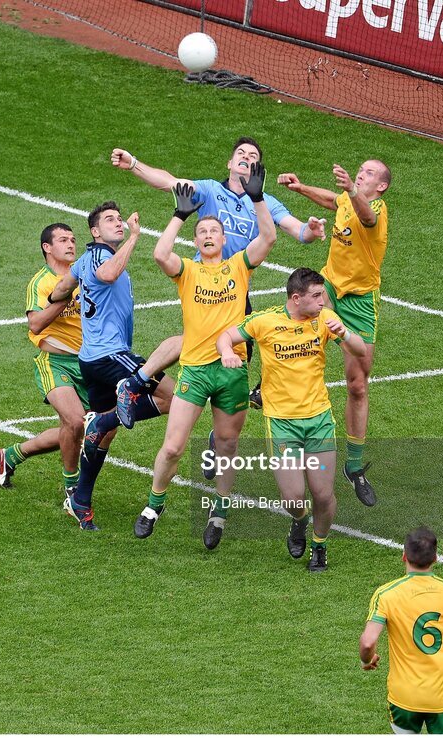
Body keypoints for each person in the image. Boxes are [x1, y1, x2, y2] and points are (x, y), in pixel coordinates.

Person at [110, 137, 326, 413]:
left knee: (238, 352)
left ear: (258, 168)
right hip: (203, 280)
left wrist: (312, 228)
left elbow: (299, 231)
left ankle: (135, 387)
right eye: (241, 152)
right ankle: (137, 381)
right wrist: (134, 164)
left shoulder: (265, 202)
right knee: (202, 340)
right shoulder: (211, 190)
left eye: (252, 155)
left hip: (236, 285)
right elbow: (170, 183)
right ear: (230, 162)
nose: (246, 156)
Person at [135, 163, 277, 550]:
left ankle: (220, 510)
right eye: (203, 232)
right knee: (172, 447)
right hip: (196, 371)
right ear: (196, 242)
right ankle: (154, 505)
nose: (209, 234)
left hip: (232, 372)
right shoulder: (187, 271)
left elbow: (268, 236)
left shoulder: (239, 266)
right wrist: (180, 214)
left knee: (228, 446)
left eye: (214, 230)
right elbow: (160, 252)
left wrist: (259, 198)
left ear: (224, 237)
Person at [216, 267, 366, 572]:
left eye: (322, 294)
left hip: (319, 421)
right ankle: (299, 522)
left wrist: (345, 334)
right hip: (282, 424)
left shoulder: (324, 320)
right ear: (296, 298)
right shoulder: (265, 321)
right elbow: (227, 335)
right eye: (316, 296)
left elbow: (360, 351)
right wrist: (225, 353)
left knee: (323, 494)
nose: (323, 301)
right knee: (294, 497)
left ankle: (320, 546)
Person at [48, 202, 175, 531]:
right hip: (110, 355)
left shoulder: (81, 262)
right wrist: (135, 236)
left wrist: (56, 298)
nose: (118, 223)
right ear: (95, 231)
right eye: (110, 221)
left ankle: (81, 500)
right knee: (175, 397)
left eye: (119, 220)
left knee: (105, 435)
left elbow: (62, 288)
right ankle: (102, 418)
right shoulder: (99, 257)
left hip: (93, 359)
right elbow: (108, 274)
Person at [277, 160, 391, 507]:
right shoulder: (348, 198)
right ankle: (262, 388)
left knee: (358, 383)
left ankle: (354, 467)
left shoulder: (376, 210)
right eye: (360, 169)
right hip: (328, 288)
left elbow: (363, 215)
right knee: (289, 321)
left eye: (369, 172)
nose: (361, 173)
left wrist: (350, 190)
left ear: (381, 186)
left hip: (359, 302)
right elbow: (334, 201)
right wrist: (302, 189)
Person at [0, 223, 88, 504]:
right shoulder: (41, 282)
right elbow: (34, 324)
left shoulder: (84, 274)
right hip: (56, 363)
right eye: (62, 240)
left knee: (79, 431)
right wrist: (63, 297)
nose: (71, 244)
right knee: (75, 422)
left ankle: (9, 456)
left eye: (72, 239)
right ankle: (73, 488)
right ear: (47, 248)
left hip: (90, 363)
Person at [359, 526, 443, 734]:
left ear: (404, 556)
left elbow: (368, 642)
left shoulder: (386, 594)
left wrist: (367, 660)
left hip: (404, 698)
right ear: (436, 558)